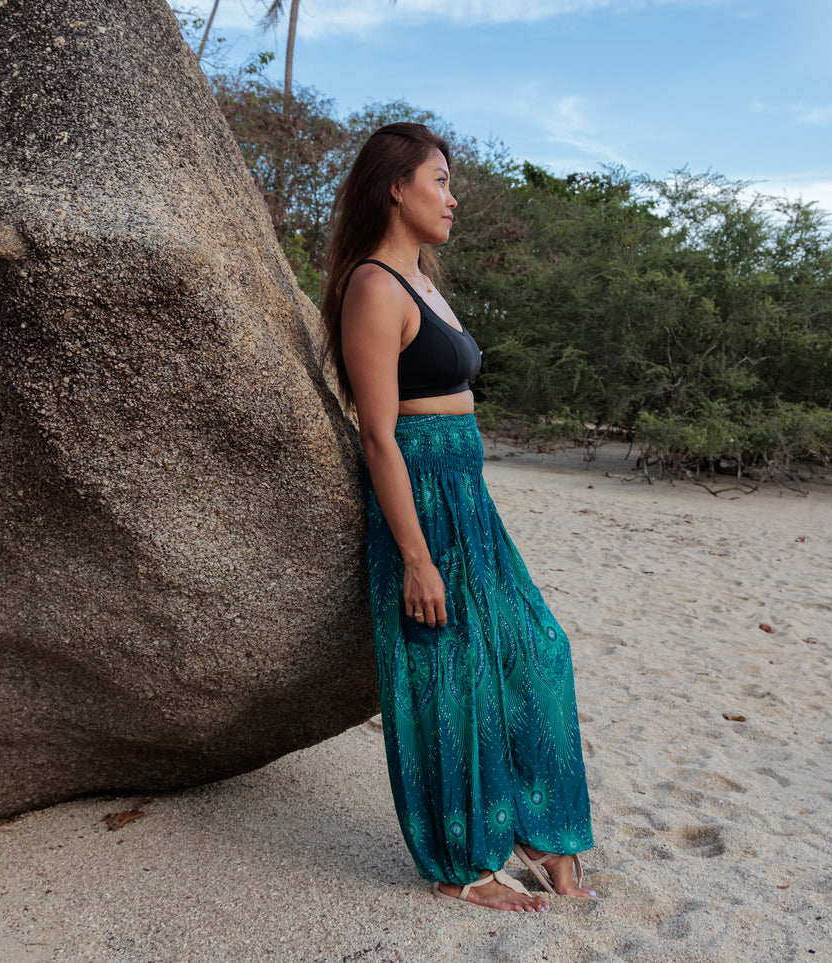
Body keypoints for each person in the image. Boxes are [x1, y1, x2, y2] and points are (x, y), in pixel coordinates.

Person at [320, 122, 595, 913]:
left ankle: (538, 831)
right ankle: (458, 861)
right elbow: (378, 433)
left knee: (537, 648)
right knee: (449, 678)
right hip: (422, 498)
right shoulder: (374, 285)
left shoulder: (423, 280)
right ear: (394, 187)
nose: (450, 197)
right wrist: (414, 556)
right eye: (437, 180)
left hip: (470, 496)